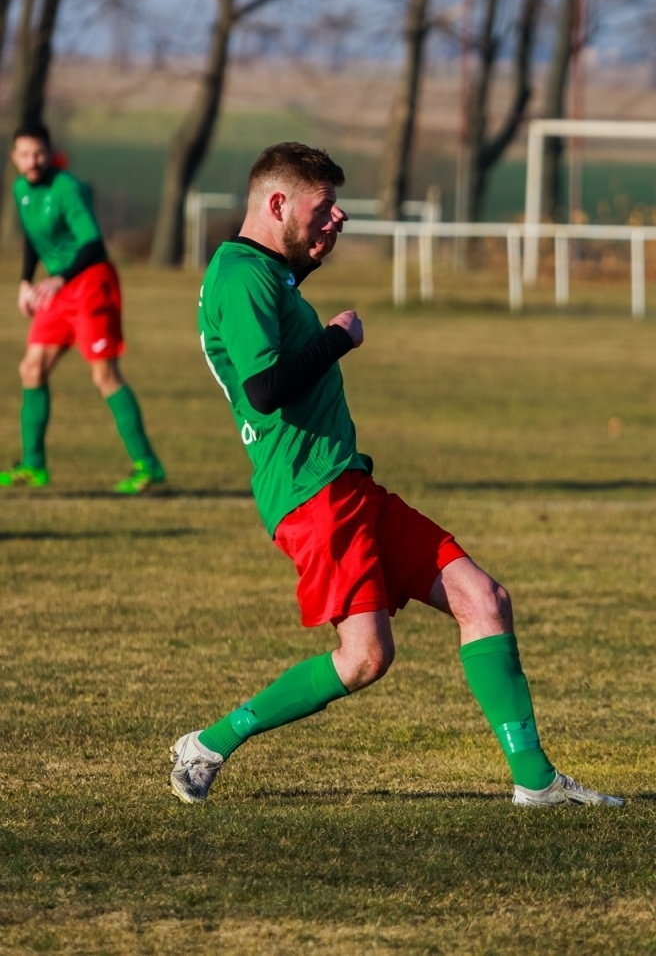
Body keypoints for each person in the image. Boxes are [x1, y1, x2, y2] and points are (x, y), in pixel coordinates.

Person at [168, 142, 621, 809]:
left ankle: (535, 782)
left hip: (348, 483)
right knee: (363, 660)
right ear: (276, 204)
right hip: (311, 492)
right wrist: (338, 337)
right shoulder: (240, 276)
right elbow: (266, 390)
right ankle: (208, 743)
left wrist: (313, 276)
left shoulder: (265, 273)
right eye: (322, 208)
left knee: (483, 600)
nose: (338, 218)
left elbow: (278, 344)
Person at [1, 123, 163, 492]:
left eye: (39, 153)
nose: (33, 161)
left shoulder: (68, 189)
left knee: (104, 376)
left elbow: (92, 245)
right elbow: (31, 236)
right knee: (31, 368)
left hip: (91, 283)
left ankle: (148, 465)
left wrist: (59, 279)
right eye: (24, 154)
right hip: (57, 287)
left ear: (49, 151)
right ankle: (34, 465)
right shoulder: (21, 189)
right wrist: (26, 282)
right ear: (14, 158)